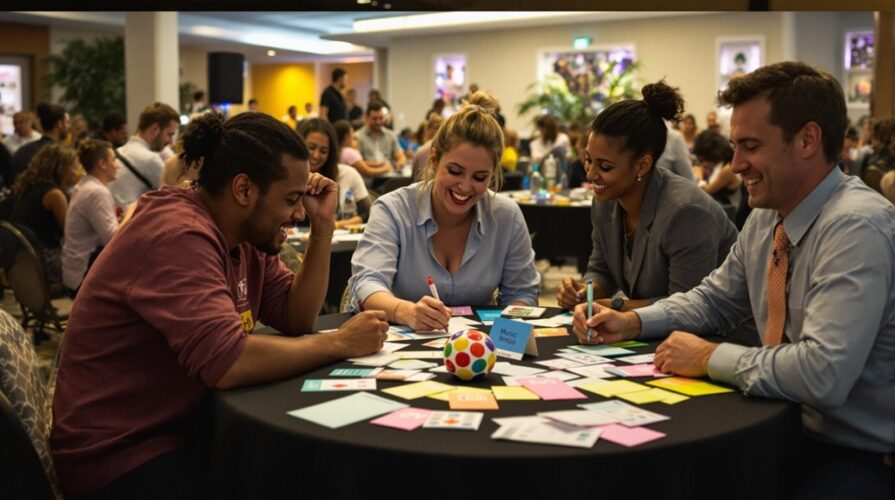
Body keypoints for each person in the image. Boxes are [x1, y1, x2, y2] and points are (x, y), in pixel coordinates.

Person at [573, 61, 895, 499]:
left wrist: (709, 357)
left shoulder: (855, 227)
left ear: (807, 140)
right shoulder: (767, 218)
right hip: (779, 425)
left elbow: (823, 374)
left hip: (853, 452)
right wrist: (634, 322)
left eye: (750, 146)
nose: (736, 164)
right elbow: (712, 300)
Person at [51, 111, 390, 499]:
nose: (299, 213)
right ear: (244, 189)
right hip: (121, 455)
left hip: (187, 430)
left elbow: (296, 317)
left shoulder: (243, 233)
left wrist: (323, 228)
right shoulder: (177, 235)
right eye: (291, 200)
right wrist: (341, 343)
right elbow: (228, 361)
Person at [348, 92, 540, 331]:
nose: (465, 186)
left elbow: (522, 292)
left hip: (479, 351)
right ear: (434, 160)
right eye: (455, 171)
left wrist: (507, 335)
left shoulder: (507, 216)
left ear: (493, 175)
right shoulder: (392, 210)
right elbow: (368, 283)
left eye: (480, 177)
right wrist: (407, 312)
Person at [556, 80, 737, 314]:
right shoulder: (605, 202)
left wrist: (618, 306)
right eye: (589, 160)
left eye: (605, 167)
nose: (591, 174)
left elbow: (687, 308)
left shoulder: (686, 212)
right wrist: (584, 292)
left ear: (642, 165)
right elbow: (601, 270)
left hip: (720, 337)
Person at [9, 143, 81, 290]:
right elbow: (72, 234)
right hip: (45, 263)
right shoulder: (55, 195)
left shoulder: (30, 186)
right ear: (61, 169)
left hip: (22, 264)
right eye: (74, 166)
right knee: (94, 258)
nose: (78, 171)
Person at [61, 139, 130, 294]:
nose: (117, 165)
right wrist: (133, 212)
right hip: (84, 274)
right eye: (113, 160)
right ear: (102, 164)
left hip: (73, 270)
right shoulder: (97, 192)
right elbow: (112, 240)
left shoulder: (84, 185)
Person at [297, 118, 372, 228]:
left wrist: (337, 225)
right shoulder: (287, 178)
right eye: (311, 147)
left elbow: (367, 213)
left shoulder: (348, 174)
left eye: (323, 151)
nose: (316, 155)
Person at [109, 102, 179, 210]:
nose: (171, 142)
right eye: (169, 134)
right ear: (155, 128)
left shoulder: (118, 152)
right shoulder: (150, 159)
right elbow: (177, 198)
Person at [10, 103, 69, 186]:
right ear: (59, 124)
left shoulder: (23, 150)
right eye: (67, 122)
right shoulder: (60, 154)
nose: (68, 127)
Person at [692, 129, 742, 210]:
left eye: (703, 159)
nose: (704, 162)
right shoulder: (720, 165)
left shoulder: (728, 169)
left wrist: (699, 177)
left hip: (730, 216)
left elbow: (706, 191)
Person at [355, 101, 405, 171]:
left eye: (381, 118)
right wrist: (380, 165)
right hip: (369, 177)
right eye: (375, 119)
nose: (378, 122)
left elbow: (400, 155)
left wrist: (400, 163)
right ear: (367, 117)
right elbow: (357, 163)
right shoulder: (358, 137)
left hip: (389, 176)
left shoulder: (390, 135)